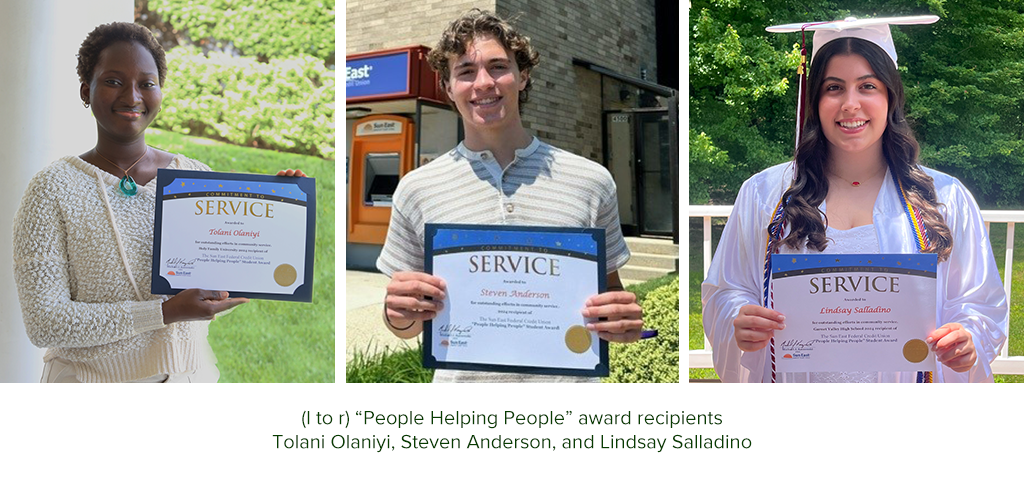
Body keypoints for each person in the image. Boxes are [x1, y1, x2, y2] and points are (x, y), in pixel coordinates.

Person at [701, 17, 1008, 383]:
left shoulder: (943, 198)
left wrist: (967, 338)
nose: (850, 104)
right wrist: (738, 318)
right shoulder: (765, 194)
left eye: (867, 86)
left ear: (890, 97)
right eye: (834, 88)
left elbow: (978, 302)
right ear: (814, 100)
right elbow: (727, 289)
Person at [12, 22, 304, 383]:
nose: (132, 96)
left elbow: (215, 291)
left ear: (160, 91)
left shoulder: (196, 176)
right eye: (114, 81)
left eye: (146, 83)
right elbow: (46, 324)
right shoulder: (52, 188)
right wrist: (163, 312)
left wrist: (280, 214)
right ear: (86, 91)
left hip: (190, 382)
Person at [377, 9, 643, 382]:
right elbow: (406, 327)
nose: (483, 83)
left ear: (523, 76)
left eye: (498, 67)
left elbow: (610, 296)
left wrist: (623, 322)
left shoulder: (591, 180)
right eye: (466, 71)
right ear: (448, 87)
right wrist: (398, 313)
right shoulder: (417, 188)